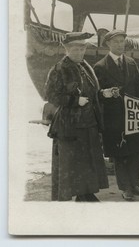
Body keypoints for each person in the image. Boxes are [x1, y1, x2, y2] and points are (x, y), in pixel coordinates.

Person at [45, 32, 109, 201]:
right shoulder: (59, 68)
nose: (79, 52)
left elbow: (92, 91)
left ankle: (87, 192)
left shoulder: (84, 65)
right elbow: (51, 95)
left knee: (89, 158)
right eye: (75, 49)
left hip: (89, 121)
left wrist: (103, 94)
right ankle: (80, 194)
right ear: (66, 49)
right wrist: (74, 100)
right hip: (70, 124)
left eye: (82, 48)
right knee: (74, 160)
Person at [93, 29, 139, 201]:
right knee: (119, 154)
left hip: (133, 115)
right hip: (114, 118)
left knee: (135, 151)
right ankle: (125, 187)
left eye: (122, 41)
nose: (120, 45)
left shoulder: (131, 63)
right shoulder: (100, 67)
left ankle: (135, 185)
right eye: (116, 42)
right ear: (108, 45)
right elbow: (97, 95)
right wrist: (105, 94)